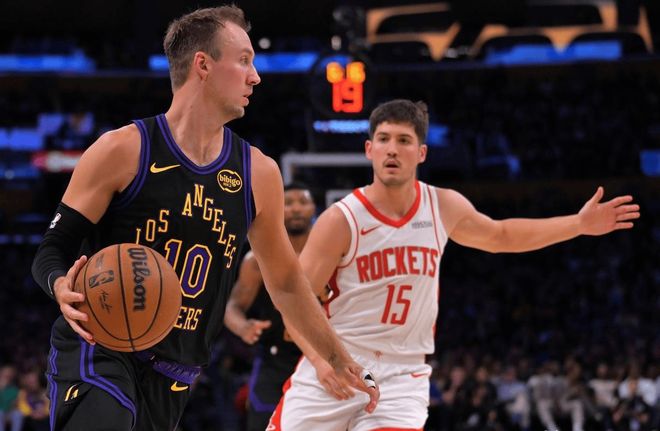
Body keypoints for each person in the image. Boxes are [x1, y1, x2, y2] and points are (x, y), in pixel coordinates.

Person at [30, 6, 377, 431]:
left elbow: (287, 283)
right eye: (244, 60)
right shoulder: (123, 150)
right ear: (203, 65)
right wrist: (59, 284)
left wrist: (338, 357)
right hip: (98, 346)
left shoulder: (258, 173)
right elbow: (52, 249)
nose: (256, 77)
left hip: (175, 375)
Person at [269, 99, 640, 430]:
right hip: (337, 359)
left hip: (401, 373)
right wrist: (322, 361)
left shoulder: (442, 206)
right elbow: (296, 302)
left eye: (403, 140)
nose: (392, 149)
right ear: (369, 149)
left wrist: (578, 224)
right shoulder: (341, 219)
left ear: (422, 153)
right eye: (383, 139)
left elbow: (502, 236)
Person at [224, 182, 316, 431]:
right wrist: (243, 327)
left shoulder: (334, 252)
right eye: (289, 203)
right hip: (275, 359)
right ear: (277, 208)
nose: (296, 208)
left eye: (303, 202)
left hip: (323, 356)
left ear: (314, 208)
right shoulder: (257, 259)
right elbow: (232, 306)